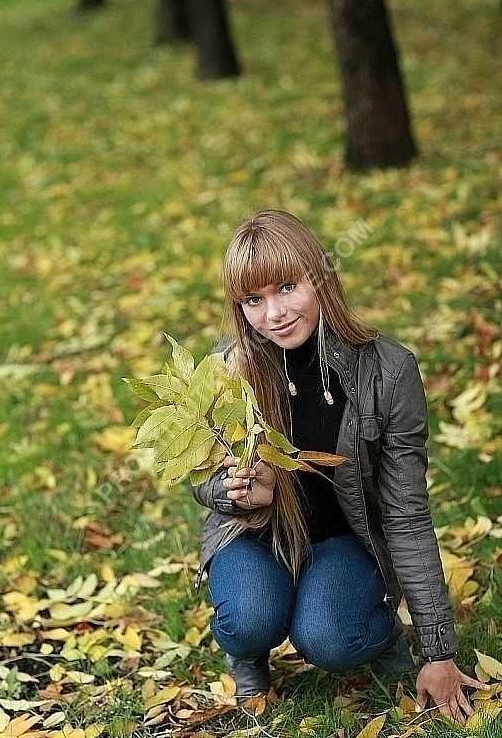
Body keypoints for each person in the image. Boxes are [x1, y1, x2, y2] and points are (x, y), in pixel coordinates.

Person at [191, 209, 488, 725]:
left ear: (320, 278)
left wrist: (437, 650)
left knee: (331, 638)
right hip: (255, 535)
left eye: (287, 287)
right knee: (249, 618)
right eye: (253, 300)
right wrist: (231, 492)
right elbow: (199, 479)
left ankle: (376, 630)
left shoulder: (389, 371)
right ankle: (247, 654)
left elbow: (406, 515)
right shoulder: (228, 368)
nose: (274, 313)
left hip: (342, 537)